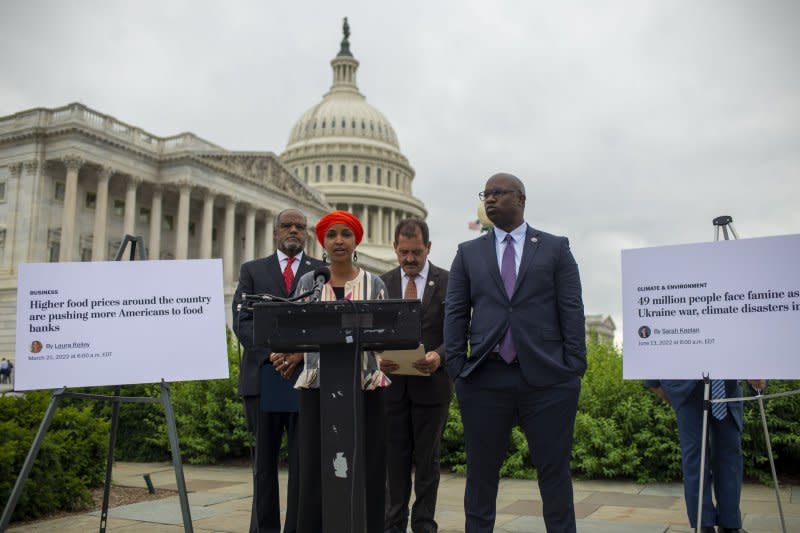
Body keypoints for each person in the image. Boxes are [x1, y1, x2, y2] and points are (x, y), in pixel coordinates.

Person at [444, 172, 586, 533]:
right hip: (485, 378)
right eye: (486, 194)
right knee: (480, 475)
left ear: (521, 198)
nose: (490, 199)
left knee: (554, 473)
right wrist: (458, 369)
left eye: (498, 193)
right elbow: (456, 313)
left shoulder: (555, 248)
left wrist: (574, 369)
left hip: (548, 380)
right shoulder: (467, 252)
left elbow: (571, 310)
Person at [292, 210, 389, 533]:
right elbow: (296, 330)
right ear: (322, 241)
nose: (338, 241)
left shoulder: (373, 283)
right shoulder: (310, 282)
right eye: (331, 235)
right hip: (318, 387)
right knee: (315, 467)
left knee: (368, 464)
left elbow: (386, 334)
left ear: (355, 240)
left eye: (345, 234)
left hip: (365, 387)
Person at [232, 208, 325, 533]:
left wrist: (300, 354)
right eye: (287, 225)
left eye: (300, 227)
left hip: (305, 379)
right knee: (263, 466)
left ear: (306, 233)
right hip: (263, 378)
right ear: (276, 231)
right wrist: (273, 353)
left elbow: (328, 322)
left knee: (303, 465)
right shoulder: (253, 271)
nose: (294, 231)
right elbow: (241, 322)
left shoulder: (321, 272)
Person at [380, 218, 451, 533]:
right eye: (404, 252)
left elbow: (460, 332)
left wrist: (440, 355)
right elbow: (372, 332)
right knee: (393, 463)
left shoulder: (449, 282)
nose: (410, 259)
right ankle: (393, 524)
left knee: (427, 463)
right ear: (395, 248)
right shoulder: (381, 284)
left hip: (432, 388)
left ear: (429, 248)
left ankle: (424, 525)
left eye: (417, 253)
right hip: (391, 389)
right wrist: (376, 356)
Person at [645, 379, 766, 533]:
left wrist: (760, 376)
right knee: (695, 458)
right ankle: (703, 523)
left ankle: (730, 523)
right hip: (686, 388)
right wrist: (652, 382)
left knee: (730, 455)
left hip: (728, 386)